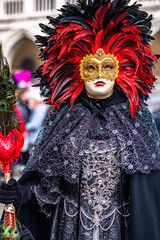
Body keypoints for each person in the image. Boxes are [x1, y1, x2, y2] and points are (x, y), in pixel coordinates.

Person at [0, 0, 160, 239]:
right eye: (91, 68)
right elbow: (47, 180)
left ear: (120, 70)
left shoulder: (137, 118)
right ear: (76, 69)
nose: (99, 76)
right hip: (69, 227)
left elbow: (148, 190)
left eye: (107, 67)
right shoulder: (64, 117)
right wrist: (23, 193)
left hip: (121, 229)